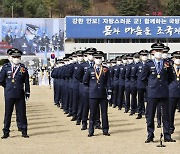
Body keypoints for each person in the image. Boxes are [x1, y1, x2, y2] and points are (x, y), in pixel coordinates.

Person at [141, 43, 176, 143]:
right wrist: (149, 88)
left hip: (164, 93)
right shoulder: (148, 64)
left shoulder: (167, 64)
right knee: (150, 115)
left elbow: (171, 78)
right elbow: (143, 79)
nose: (159, 53)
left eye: (161, 51)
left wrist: (165, 85)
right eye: (157, 51)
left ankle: (167, 135)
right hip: (152, 93)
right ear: (153, 52)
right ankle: (150, 135)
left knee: (166, 115)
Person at [0, 48, 30, 139]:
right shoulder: (6, 67)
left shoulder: (23, 68)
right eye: (14, 57)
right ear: (11, 58)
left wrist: (27, 92)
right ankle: (6, 131)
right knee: (8, 113)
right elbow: (1, 80)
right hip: (9, 94)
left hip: (20, 94)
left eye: (18, 57)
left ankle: (24, 130)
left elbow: (27, 82)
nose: (16, 58)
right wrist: (8, 86)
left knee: (22, 113)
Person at [83, 51, 111, 137]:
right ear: (94, 59)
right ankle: (91, 131)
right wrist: (92, 88)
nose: (98, 60)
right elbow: (85, 81)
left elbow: (109, 81)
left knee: (104, 113)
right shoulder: (90, 70)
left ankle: (105, 130)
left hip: (103, 94)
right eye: (97, 58)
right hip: (93, 94)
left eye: (100, 58)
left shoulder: (106, 69)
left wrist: (109, 92)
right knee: (92, 113)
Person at [169, 51, 180, 134]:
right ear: (173, 58)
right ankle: (170, 127)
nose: (178, 59)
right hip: (172, 92)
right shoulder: (169, 68)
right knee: (171, 112)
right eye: (176, 57)